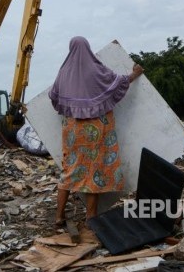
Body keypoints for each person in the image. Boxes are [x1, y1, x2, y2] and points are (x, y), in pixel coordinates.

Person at [48, 36, 144, 225]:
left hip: (73, 131)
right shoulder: (96, 69)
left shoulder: (64, 72)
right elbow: (117, 82)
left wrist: (73, 106)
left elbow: (53, 96)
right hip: (96, 129)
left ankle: (59, 216)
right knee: (93, 170)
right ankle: (91, 217)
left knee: (69, 170)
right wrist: (135, 74)